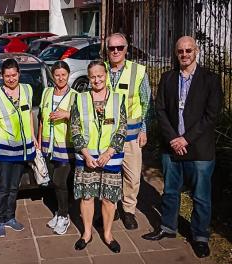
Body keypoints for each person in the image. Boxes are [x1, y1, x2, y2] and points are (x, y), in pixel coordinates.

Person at [142, 36, 222, 258]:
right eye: (180, 51)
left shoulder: (210, 79)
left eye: (188, 50)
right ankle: (168, 227)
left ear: (196, 51)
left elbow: (211, 115)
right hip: (171, 148)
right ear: (176, 53)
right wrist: (173, 139)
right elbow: (160, 111)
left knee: (201, 197)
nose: (184, 54)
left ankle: (200, 236)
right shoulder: (168, 78)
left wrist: (185, 139)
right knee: (169, 192)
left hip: (199, 150)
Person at [71, 60, 126, 252]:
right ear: (89, 78)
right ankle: (87, 233)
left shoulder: (118, 99)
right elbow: (75, 129)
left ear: (106, 76)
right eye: (93, 76)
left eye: (100, 75)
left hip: (110, 157)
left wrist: (109, 152)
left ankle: (108, 234)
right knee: (87, 197)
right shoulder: (80, 99)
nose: (97, 79)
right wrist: (86, 154)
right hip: (87, 158)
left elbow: (122, 128)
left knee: (108, 199)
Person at [104, 33, 152, 230]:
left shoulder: (138, 71)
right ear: (106, 50)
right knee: (109, 175)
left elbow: (147, 103)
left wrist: (144, 130)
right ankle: (111, 209)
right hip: (107, 136)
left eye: (120, 47)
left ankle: (129, 210)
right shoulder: (101, 70)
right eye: (111, 48)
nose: (115, 51)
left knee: (132, 177)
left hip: (131, 135)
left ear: (126, 49)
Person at [0, 58, 37, 237]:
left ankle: (9, 217)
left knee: (14, 187)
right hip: (3, 150)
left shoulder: (27, 90)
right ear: (2, 76)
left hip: (21, 149)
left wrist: (33, 137)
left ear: (19, 74)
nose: (11, 79)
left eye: (14, 75)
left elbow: (29, 114)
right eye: (7, 76)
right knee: (2, 187)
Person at [38, 61, 78, 235]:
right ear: (52, 76)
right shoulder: (47, 92)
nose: (60, 78)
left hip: (66, 146)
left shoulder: (75, 95)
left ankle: (64, 215)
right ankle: (59, 212)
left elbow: (82, 119)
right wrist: (40, 142)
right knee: (54, 183)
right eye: (57, 75)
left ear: (68, 75)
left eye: (64, 74)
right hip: (48, 145)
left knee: (60, 181)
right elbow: (41, 118)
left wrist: (66, 114)